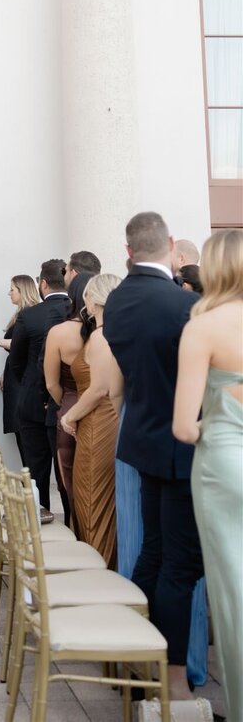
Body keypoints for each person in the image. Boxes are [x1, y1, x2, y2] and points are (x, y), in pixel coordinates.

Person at [103, 212, 206, 709]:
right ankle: (175, 679)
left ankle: (135, 656)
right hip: (184, 444)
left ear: (127, 252)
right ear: (169, 244)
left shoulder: (118, 301)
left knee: (153, 552)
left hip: (142, 440)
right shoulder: (185, 305)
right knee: (181, 565)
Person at [173, 229, 243, 722]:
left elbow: (182, 425)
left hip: (223, 464)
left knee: (234, 593)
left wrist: (217, 427)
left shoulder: (203, 326)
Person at [60, 272, 122, 566]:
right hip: (98, 420)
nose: (82, 299)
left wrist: (69, 416)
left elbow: (99, 388)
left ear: (94, 301)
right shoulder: (105, 333)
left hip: (99, 422)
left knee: (91, 495)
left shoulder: (100, 337)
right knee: (91, 494)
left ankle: (98, 565)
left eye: (86, 295)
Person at [8, 258, 70, 523]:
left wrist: (32, 384)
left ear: (42, 283)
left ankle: (40, 512)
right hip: (69, 400)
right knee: (68, 467)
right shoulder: (76, 311)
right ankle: (72, 519)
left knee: (36, 464)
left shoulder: (30, 315)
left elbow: (17, 359)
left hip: (33, 397)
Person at [43, 271, 91, 532]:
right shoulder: (104, 332)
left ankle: (77, 532)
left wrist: (68, 403)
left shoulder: (59, 333)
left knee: (69, 481)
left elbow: (51, 383)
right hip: (105, 413)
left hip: (69, 411)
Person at [0, 274, 40, 467]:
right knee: (20, 430)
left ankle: (30, 482)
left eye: (12, 289)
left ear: (22, 291)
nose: (9, 293)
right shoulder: (21, 315)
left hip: (23, 380)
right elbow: (18, 351)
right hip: (15, 376)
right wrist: (7, 372)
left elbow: (23, 345)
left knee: (25, 431)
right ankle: (28, 480)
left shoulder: (30, 314)